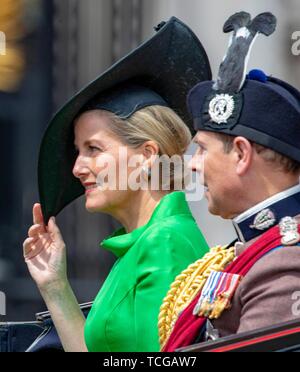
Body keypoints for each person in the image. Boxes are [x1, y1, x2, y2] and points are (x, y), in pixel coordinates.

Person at [22, 17, 211, 352]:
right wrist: (54, 285)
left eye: (93, 149)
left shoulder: (164, 241)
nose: (78, 167)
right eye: (78, 151)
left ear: (147, 156)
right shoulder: (142, 244)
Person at [160, 11, 300, 352]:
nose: (192, 165)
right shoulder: (260, 249)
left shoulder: (285, 264)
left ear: (241, 154)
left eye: (202, 150)